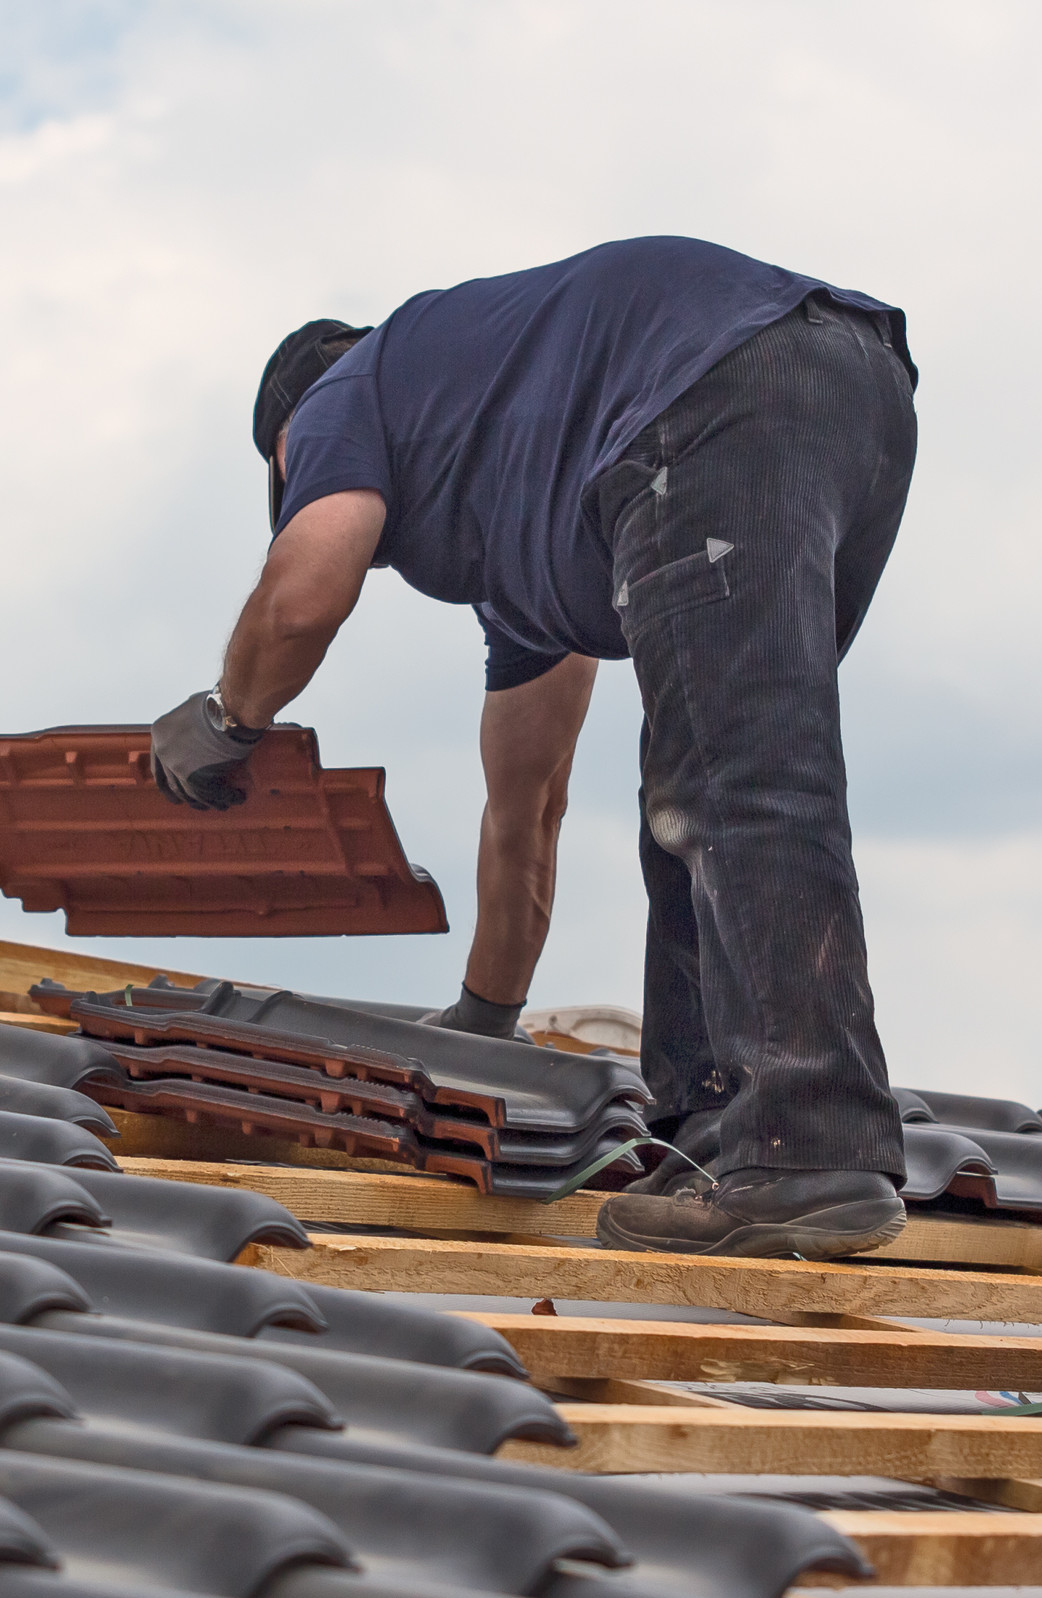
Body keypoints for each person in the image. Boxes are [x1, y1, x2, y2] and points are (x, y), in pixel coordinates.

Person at [146, 237, 920, 1260]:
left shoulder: (345, 389)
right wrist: (486, 1011)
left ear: (291, 445)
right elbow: (528, 809)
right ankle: (716, 1147)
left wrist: (223, 720)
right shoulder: (525, 538)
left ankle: (810, 1150)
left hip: (721, 390)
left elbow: (301, 595)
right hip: (847, 397)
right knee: (694, 795)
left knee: (740, 785)